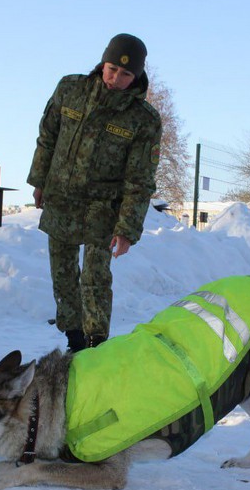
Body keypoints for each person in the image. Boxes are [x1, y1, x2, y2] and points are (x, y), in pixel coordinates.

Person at [27, 33, 162, 352]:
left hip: (103, 209)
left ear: (138, 76)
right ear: (103, 62)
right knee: (62, 274)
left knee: (95, 277)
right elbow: (47, 136)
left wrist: (127, 228)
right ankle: (74, 338)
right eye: (112, 69)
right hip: (61, 199)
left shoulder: (143, 120)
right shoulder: (70, 89)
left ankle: (96, 341)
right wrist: (40, 181)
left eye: (126, 74)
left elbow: (140, 179)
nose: (117, 79)